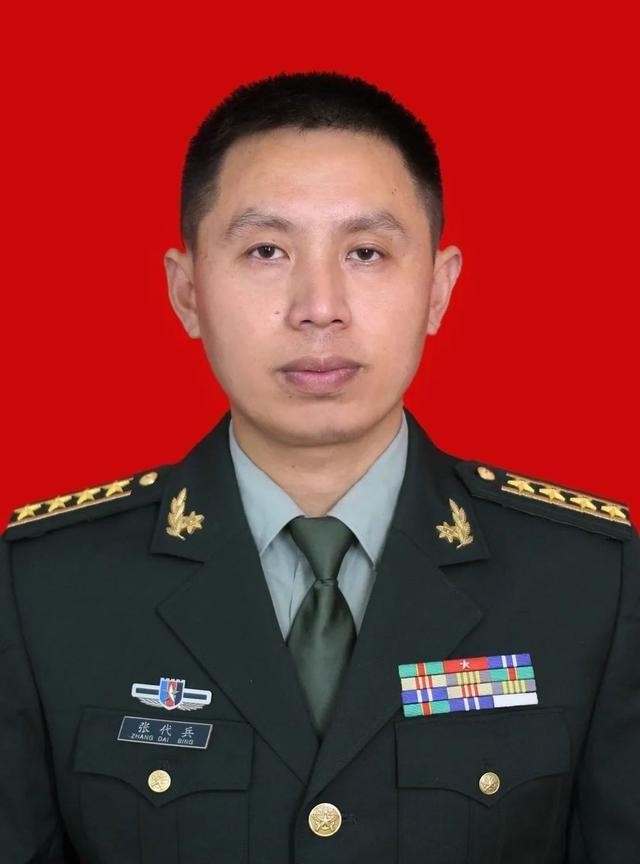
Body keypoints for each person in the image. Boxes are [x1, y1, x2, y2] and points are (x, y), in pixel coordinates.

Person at [0, 71, 638, 864]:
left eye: (366, 252)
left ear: (438, 290)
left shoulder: (590, 581)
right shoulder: (45, 587)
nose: (319, 306)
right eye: (266, 251)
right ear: (187, 291)